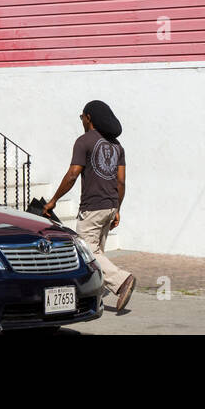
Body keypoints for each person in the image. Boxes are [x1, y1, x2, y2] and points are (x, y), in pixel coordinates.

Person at [44, 100, 136, 312]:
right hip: (110, 205)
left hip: (93, 207)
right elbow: (121, 181)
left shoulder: (83, 141)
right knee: (98, 253)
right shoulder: (117, 146)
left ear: (89, 118)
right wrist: (117, 209)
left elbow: (73, 174)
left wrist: (54, 200)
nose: (81, 121)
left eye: (81, 117)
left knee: (86, 252)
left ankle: (122, 281)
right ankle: (95, 297)